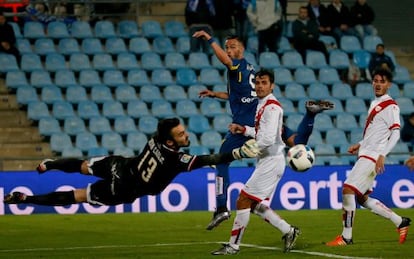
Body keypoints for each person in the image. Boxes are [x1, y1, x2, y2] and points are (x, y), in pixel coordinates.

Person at [193, 29, 334, 231]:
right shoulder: (250, 69)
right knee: (295, 141)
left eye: (232, 47)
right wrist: (215, 94)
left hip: (245, 122)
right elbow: (239, 95)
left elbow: (226, 62)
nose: (229, 50)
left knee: (221, 160)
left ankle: (221, 207)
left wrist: (210, 39)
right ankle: (310, 115)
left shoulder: (237, 65)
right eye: (227, 47)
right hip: (262, 115)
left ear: (241, 48)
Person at [3, 118, 259, 206]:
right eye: (181, 134)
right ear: (170, 142)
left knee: (81, 166)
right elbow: (208, 158)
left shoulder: (156, 138)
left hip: (121, 166)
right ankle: (27, 200)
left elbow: (203, 159)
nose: (186, 135)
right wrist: (236, 154)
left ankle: (50, 164)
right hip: (123, 189)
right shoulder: (176, 160)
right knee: (78, 195)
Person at [211, 69, 300, 255]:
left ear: (272, 85)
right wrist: (243, 130)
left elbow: (267, 139)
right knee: (254, 205)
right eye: (257, 83)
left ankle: (233, 246)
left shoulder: (272, 107)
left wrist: (245, 150)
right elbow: (262, 133)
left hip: (271, 161)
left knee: (243, 200)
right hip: (267, 161)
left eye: (264, 83)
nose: (259, 86)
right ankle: (289, 231)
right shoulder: (263, 104)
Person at [325, 68, 411, 246]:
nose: (378, 84)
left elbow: (395, 133)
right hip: (367, 153)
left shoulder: (391, 106)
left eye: (382, 81)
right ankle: (399, 221)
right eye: (376, 80)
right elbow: (375, 133)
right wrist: (360, 143)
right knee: (361, 198)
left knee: (348, 190)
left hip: (372, 157)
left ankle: (346, 237)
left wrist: (382, 155)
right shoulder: (375, 103)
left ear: (389, 84)